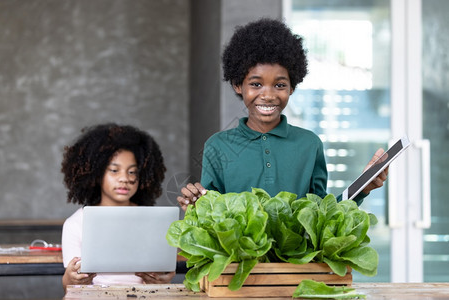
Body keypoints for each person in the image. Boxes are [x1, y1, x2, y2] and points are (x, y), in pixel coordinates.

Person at [177, 18, 388, 211]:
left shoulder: (309, 144)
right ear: (237, 85)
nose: (268, 95)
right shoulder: (218, 146)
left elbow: (323, 216)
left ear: (292, 87)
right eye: (256, 84)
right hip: (238, 254)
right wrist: (196, 206)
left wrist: (363, 188)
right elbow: (211, 216)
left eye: (279, 85)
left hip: (297, 254)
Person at [61, 123, 175, 291]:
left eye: (132, 172)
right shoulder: (76, 223)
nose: (124, 178)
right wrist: (71, 279)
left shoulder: (154, 221)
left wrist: (161, 283)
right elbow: (69, 288)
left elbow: (160, 281)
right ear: (97, 173)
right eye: (114, 170)